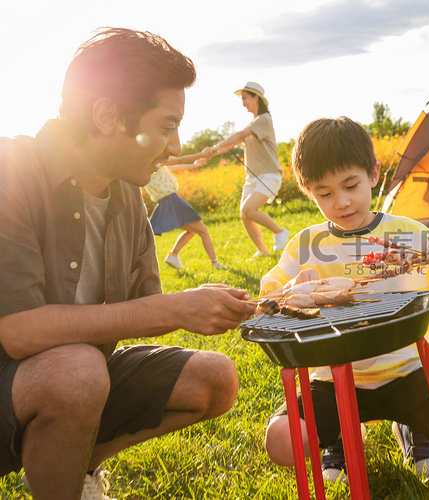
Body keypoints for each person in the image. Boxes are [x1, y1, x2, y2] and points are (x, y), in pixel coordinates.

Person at [0, 28, 256, 500]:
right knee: (78, 371)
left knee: (214, 378)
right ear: (107, 116)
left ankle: (76, 470)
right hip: (17, 383)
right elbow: (17, 332)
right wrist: (173, 309)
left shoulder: (128, 195)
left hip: (79, 380)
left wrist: (247, 304)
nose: (176, 147)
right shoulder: (11, 171)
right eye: (165, 126)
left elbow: (147, 306)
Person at [261, 116, 429, 485]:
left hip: (406, 371)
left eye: (350, 185)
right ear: (309, 192)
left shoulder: (408, 233)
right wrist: (289, 294)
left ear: (374, 174)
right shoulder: (305, 245)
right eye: (325, 193)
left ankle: (414, 427)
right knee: (281, 443)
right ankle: (340, 435)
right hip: (332, 378)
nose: (342, 201)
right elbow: (267, 301)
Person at [202, 82, 289, 259]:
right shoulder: (253, 124)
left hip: (269, 174)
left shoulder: (263, 120)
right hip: (253, 177)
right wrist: (211, 153)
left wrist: (215, 145)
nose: (243, 103)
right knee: (245, 214)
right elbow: (234, 144)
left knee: (249, 209)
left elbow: (241, 136)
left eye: (245, 98)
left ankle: (280, 232)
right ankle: (263, 251)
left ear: (256, 97)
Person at [145, 152, 228, 271]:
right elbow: (179, 160)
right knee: (203, 231)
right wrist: (199, 155)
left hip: (165, 203)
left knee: (191, 231)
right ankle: (215, 263)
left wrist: (194, 165)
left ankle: (173, 255)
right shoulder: (154, 161)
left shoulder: (149, 166)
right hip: (172, 201)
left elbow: (173, 167)